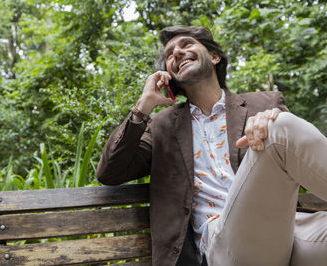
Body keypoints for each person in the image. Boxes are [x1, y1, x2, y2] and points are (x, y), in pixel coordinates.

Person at [96, 25, 327, 266]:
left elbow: (301, 157)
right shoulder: (162, 126)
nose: (177, 53)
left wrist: (271, 121)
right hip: (224, 248)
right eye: (169, 54)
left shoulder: (265, 103)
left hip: (289, 232)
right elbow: (109, 172)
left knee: (281, 125)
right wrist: (142, 106)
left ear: (215, 57)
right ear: (170, 75)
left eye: (186, 44)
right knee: (280, 127)